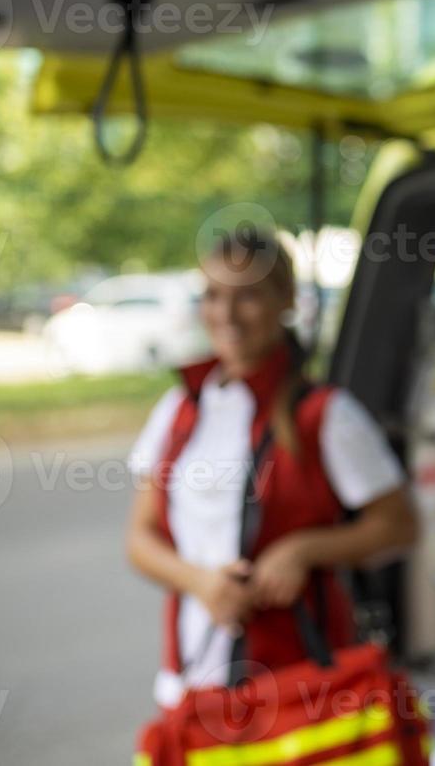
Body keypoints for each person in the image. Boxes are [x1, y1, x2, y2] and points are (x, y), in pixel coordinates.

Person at [125, 227, 417, 709]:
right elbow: (140, 539)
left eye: (248, 297)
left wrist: (305, 550)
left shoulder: (324, 414)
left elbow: (399, 526)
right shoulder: (179, 408)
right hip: (191, 679)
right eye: (213, 295)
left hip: (297, 683)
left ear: (284, 300)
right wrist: (200, 582)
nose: (226, 314)